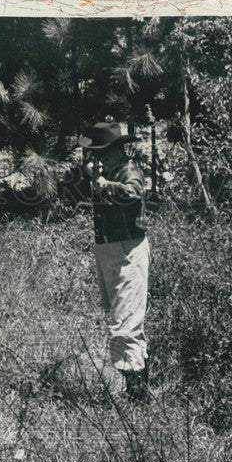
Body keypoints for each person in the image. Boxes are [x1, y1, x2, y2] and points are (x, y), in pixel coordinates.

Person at [78, 121, 150, 403]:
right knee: (118, 316)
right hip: (109, 250)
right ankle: (136, 388)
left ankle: (137, 396)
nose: (100, 158)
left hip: (127, 250)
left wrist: (107, 186)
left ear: (120, 150)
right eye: (97, 153)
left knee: (126, 321)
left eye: (105, 152)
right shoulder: (107, 171)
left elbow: (133, 194)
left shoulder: (129, 171)